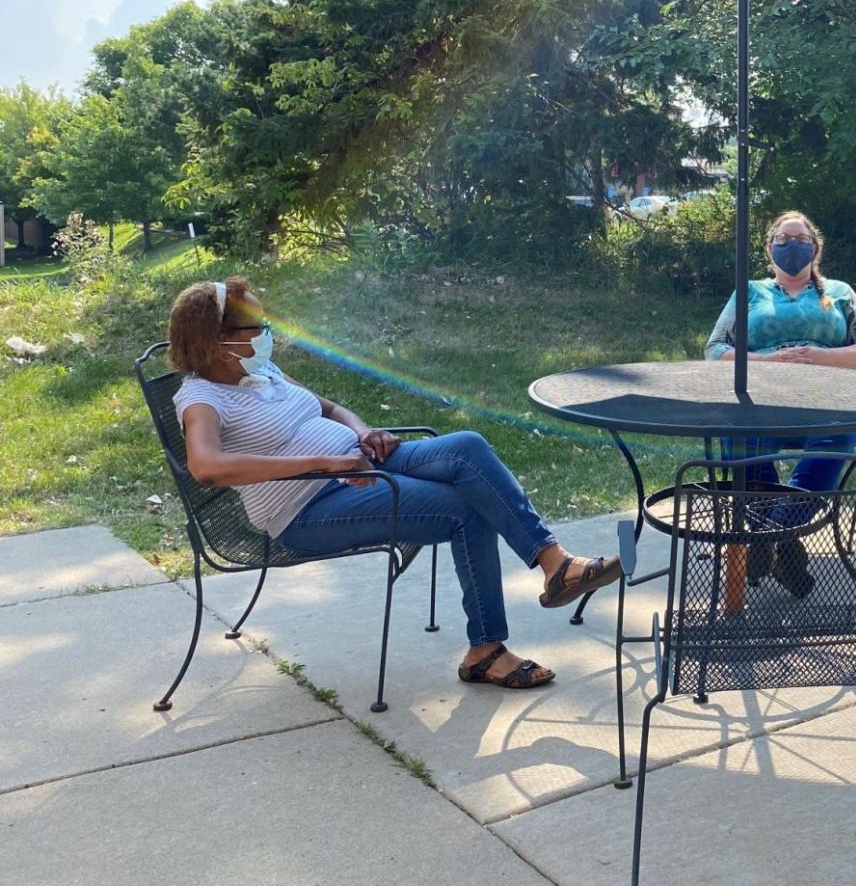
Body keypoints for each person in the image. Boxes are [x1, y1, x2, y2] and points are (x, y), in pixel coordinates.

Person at [167, 277, 619, 691]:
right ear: (218, 342)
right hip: (309, 506)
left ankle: (555, 563)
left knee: (467, 447)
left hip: (360, 464)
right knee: (465, 509)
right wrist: (325, 463)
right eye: (257, 325)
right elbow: (207, 466)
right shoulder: (201, 398)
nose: (268, 332)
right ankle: (486, 651)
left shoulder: (262, 372)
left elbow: (330, 409)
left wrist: (364, 432)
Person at [702, 210, 856, 595]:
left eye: (800, 239)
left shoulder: (839, 292)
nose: (791, 246)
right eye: (783, 240)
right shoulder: (749, 292)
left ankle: (768, 535)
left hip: (828, 401)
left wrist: (820, 357)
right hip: (760, 400)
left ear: (815, 248)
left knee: (839, 437)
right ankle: (783, 543)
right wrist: (766, 361)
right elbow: (715, 349)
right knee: (738, 438)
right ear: (769, 248)